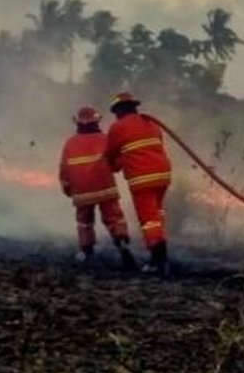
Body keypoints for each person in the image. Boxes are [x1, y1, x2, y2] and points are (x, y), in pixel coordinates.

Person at [103, 92, 173, 276]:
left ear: (119, 111)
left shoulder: (117, 127)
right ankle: (162, 254)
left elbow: (110, 154)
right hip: (163, 174)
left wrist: (114, 166)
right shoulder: (150, 123)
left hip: (142, 178)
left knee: (148, 220)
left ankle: (158, 261)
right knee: (157, 213)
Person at [59, 106, 136, 269]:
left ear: (78, 123)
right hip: (105, 187)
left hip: (81, 191)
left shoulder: (70, 143)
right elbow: (117, 162)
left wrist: (67, 189)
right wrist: (114, 169)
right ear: (96, 122)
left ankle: (86, 251)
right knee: (114, 217)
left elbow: (64, 170)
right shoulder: (105, 139)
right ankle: (121, 241)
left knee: (84, 221)